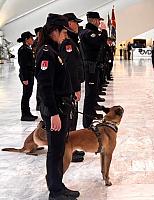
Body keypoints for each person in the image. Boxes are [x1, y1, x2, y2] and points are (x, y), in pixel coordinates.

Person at [35, 13, 79, 200]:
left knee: (59, 149)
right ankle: (55, 191)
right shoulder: (46, 52)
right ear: (54, 31)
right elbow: (45, 87)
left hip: (60, 108)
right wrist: (53, 114)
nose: (65, 36)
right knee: (55, 151)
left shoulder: (53, 50)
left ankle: (58, 185)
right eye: (63, 32)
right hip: (55, 110)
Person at [62, 12, 85, 163]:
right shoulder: (68, 43)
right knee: (70, 120)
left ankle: (72, 147)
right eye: (75, 23)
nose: (77, 25)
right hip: (69, 88)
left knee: (72, 119)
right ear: (69, 24)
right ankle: (69, 149)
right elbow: (71, 68)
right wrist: (76, 88)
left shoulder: (72, 40)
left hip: (70, 87)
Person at [79, 11, 107, 128]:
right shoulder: (88, 33)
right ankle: (87, 122)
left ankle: (90, 117)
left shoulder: (91, 32)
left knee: (93, 93)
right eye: (98, 20)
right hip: (90, 66)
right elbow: (99, 41)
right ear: (94, 20)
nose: (100, 22)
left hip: (93, 66)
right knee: (90, 94)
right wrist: (104, 31)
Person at [17, 31, 38, 121]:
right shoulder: (23, 50)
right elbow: (23, 65)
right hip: (26, 75)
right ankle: (25, 114)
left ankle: (27, 113)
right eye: (31, 38)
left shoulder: (27, 48)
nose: (33, 40)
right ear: (26, 39)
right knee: (26, 95)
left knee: (28, 94)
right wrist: (24, 78)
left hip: (29, 74)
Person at [33, 27, 43, 111]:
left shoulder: (40, 41)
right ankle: (39, 104)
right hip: (38, 66)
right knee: (40, 86)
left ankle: (40, 104)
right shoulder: (36, 42)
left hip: (40, 66)